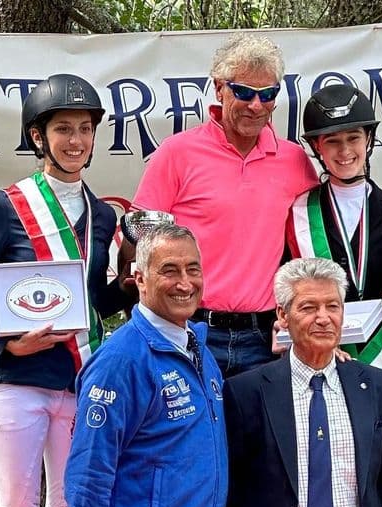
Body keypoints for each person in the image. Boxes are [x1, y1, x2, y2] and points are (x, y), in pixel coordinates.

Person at [0, 74, 131, 507]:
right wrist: (7, 346)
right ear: (37, 136)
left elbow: (90, 304)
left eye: (85, 129)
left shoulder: (102, 215)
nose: (76, 140)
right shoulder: (6, 206)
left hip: (77, 382)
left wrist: (130, 288)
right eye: (63, 129)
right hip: (17, 385)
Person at [131, 32, 318, 376]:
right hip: (189, 327)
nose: (256, 105)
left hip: (265, 337)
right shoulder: (177, 153)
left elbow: (318, 238)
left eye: (268, 94)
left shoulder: (293, 160)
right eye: (244, 92)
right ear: (219, 88)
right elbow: (141, 241)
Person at [223, 257, 382, 507]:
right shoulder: (247, 391)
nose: (323, 318)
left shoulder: (376, 386)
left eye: (332, 306)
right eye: (309, 307)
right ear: (283, 315)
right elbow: (235, 490)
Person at [65, 224, 227, 507]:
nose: (185, 283)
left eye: (193, 269)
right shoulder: (121, 360)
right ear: (139, 278)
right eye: (169, 270)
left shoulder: (198, 350)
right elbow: (88, 471)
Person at [285, 84, 382, 389]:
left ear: (368, 139)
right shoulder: (297, 213)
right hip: (317, 362)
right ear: (317, 146)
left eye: (353, 138)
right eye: (333, 141)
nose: (344, 151)